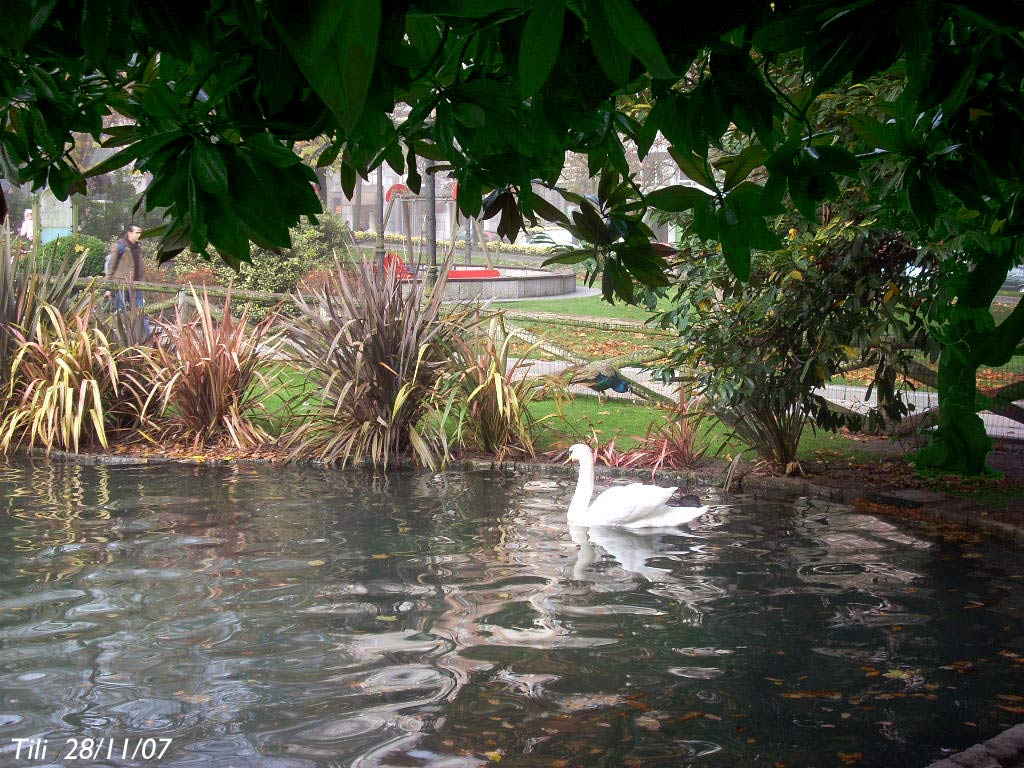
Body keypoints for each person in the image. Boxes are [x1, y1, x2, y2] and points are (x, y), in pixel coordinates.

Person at [104, 224, 151, 338]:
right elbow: (111, 268)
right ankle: (124, 338)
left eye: (140, 233)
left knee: (141, 312)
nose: (139, 235)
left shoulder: (138, 247)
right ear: (129, 233)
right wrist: (108, 288)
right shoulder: (119, 246)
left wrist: (143, 283)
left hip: (137, 285)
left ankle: (148, 338)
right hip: (121, 285)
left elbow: (140, 268)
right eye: (137, 232)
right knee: (122, 312)